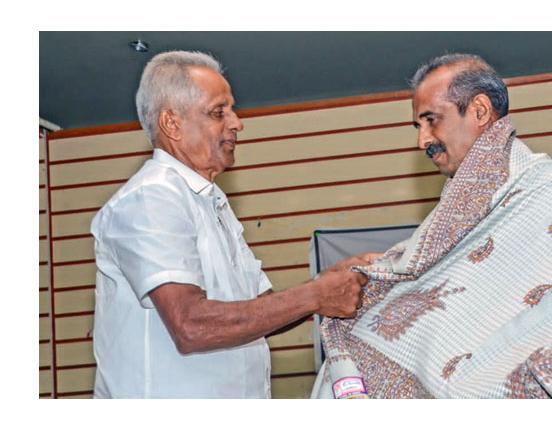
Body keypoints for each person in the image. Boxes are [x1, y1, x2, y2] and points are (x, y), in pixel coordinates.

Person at [311, 53, 552, 399]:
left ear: (480, 111)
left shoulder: (548, 186)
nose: (422, 140)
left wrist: (547, 365)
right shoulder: (459, 201)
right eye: (418, 126)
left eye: (431, 121)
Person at [90, 50, 375, 398]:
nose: (237, 122)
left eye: (232, 110)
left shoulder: (212, 203)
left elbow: (262, 309)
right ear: (172, 123)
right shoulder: (152, 197)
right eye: (218, 112)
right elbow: (191, 325)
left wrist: (328, 283)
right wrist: (316, 295)